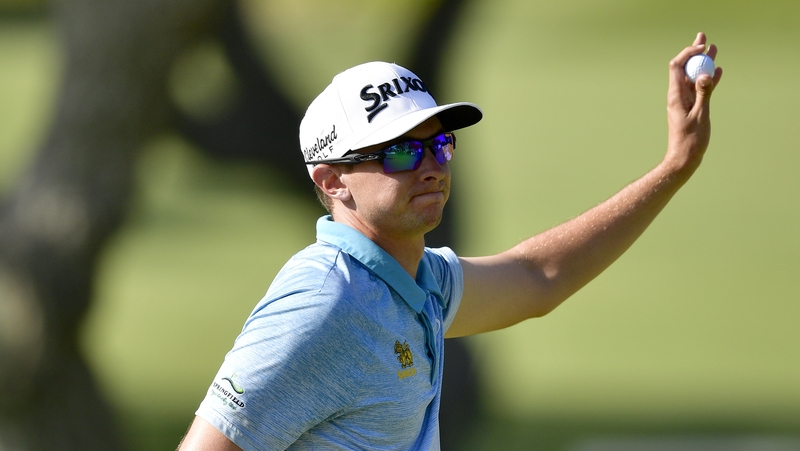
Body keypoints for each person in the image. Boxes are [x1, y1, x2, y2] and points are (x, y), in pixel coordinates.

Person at [177, 32, 722, 450]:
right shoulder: (326, 303)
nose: (431, 166)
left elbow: (538, 277)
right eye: (399, 153)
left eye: (439, 145)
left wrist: (673, 167)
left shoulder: (417, 283)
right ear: (332, 180)